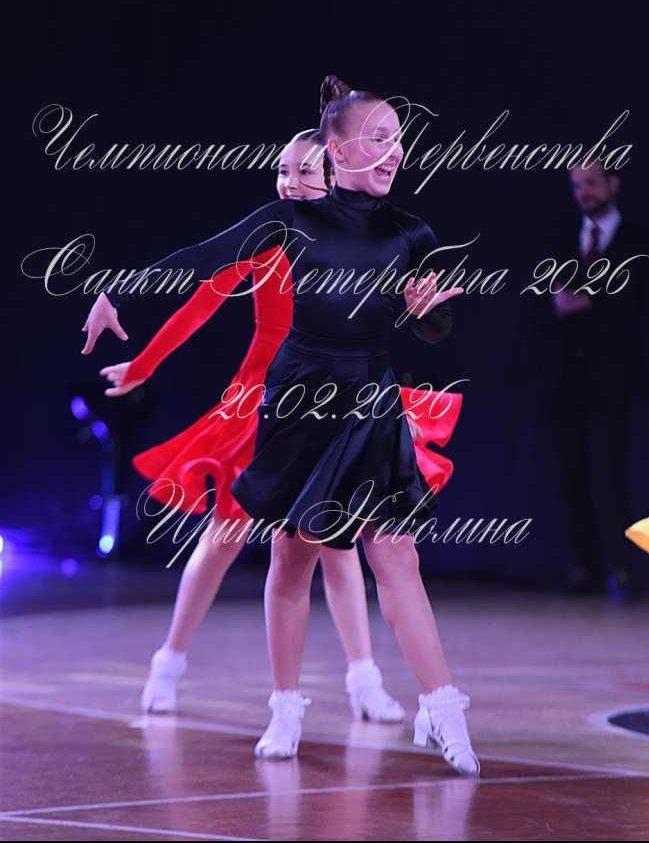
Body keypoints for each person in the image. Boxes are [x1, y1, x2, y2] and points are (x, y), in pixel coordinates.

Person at [82, 75, 480, 776]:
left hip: (371, 401)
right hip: (297, 402)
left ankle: (440, 706)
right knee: (291, 556)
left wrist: (425, 314)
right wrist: (119, 291)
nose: (395, 149)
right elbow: (203, 263)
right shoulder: (287, 222)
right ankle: (284, 707)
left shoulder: (410, 231)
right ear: (338, 150)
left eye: (399, 138)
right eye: (378, 137)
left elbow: (437, 325)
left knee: (395, 556)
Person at [531, 160, 649, 600]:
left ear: (613, 183)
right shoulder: (558, 238)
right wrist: (556, 307)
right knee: (570, 474)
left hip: (614, 376)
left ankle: (619, 567)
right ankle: (584, 566)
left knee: (610, 474)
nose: (583, 192)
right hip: (564, 375)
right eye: (576, 185)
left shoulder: (641, 245)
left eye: (591, 182)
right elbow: (532, 307)